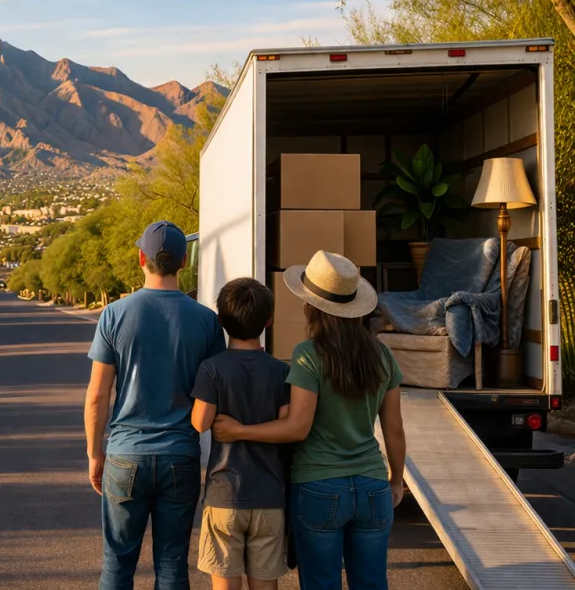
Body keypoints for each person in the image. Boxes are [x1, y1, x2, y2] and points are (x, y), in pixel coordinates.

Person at [212, 251, 407, 590]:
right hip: (373, 485)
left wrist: (238, 430)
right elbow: (394, 429)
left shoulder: (309, 354)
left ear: (311, 305)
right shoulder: (382, 354)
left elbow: (296, 427)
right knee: (372, 582)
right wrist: (396, 479)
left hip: (319, 486)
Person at [85, 221, 226, 590]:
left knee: (117, 563)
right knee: (172, 562)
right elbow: (215, 394)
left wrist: (94, 453)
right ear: (183, 262)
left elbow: (98, 394)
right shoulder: (208, 322)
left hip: (125, 455)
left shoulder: (114, 314)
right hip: (180, 456)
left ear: (140, 258)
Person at [190, 278, 290, 590]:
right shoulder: (281, 371)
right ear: (269, 320)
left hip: (225, 495)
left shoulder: (212, 368)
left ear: (220, 321)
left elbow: (200, 423)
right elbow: (287, 429)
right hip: (270, 497)